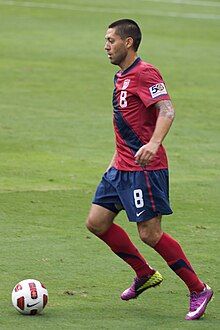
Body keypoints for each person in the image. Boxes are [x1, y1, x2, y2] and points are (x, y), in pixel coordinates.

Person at [86, 19, 213, 321]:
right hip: (119, 167)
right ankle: (144, 273)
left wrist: (154, 144)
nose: (106, 46)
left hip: (144, 169)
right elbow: (127, 125)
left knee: (150, 234)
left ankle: (198, 289)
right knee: (97, 222)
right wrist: (114, 160)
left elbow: (167, 109)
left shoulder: (145, 73)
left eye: (111, 40)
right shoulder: (121, 77)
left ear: (128, 43)